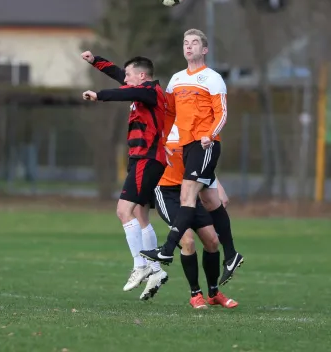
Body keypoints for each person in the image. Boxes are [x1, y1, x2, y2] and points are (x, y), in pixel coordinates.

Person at [140, 29, 243, 285]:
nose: (189, 46)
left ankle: (167, 248)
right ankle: (231, 255)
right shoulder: (176, 79)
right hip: (187, 146)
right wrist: (164, 140)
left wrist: (210, 134)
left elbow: (222, 113)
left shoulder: (213, 78)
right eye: (185, 42)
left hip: (205, 145)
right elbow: (169, 114)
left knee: (187, 196)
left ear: (204, 49)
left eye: (194, 43)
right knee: (210, 201)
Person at [81, 51, 168, 300]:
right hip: (143, 159)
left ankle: (140, 264)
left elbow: (126, 91)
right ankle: (156, 270)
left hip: (147, 159)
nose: (125, 78)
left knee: (123, 211)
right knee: (140, 214)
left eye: (130, 75)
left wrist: (99, 96)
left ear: (142, 76)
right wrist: (95, 60)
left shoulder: (149, 92)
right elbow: (119, 75)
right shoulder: (141, 88)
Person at [154, 123, 239, 308]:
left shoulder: (192, 126)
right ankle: (195, 294)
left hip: (191, 193)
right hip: (167, 194)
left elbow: (202, 163)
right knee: (188, 241)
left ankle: (214, 293)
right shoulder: (162, 126)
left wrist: (218, 188)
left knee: (212, 241)